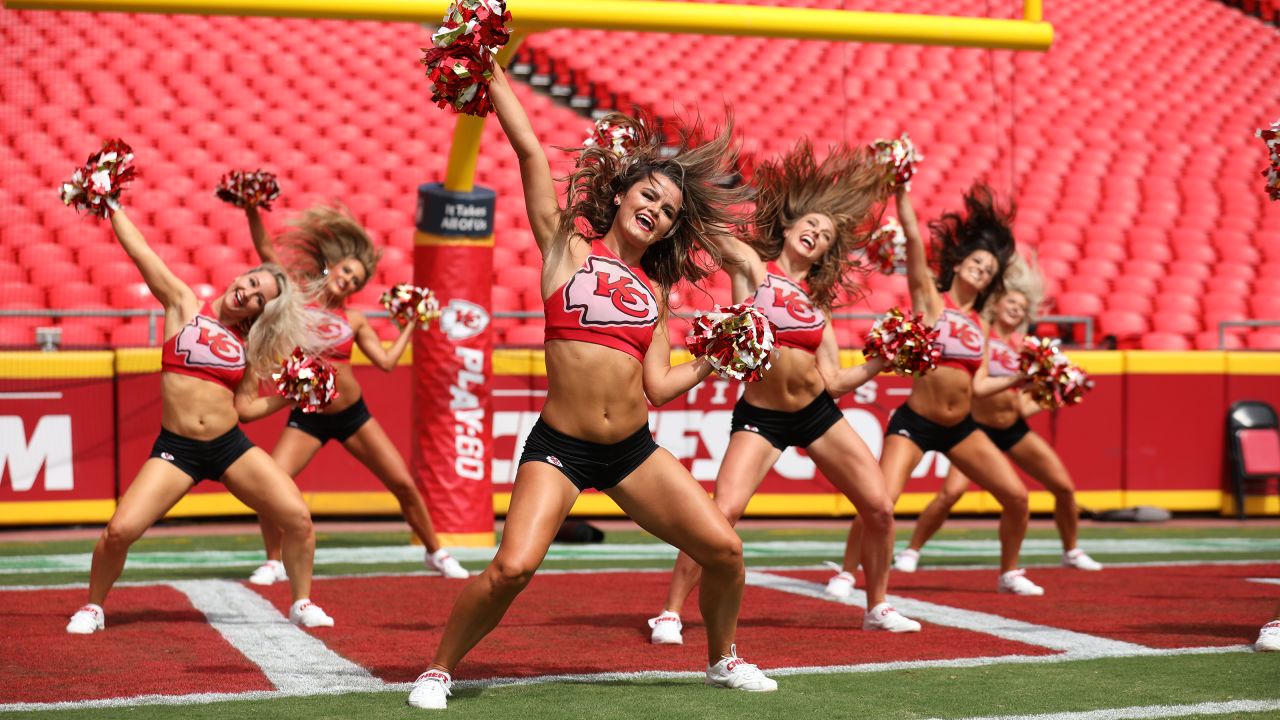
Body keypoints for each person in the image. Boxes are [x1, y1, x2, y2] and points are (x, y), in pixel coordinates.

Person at [406, 66, 776, 710]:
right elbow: (526, 147)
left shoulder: (657, 291)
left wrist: (718, 358)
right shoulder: (565, 247)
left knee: (724, 549)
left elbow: (659, 387)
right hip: (560, 448)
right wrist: (490, 70)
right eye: (650, 196)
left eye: (667, 211)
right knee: (512, 568)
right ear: (623, 193)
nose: (656, 212)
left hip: (632, 450)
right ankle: (438, 670)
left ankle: (722, 659)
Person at [647, 141, 919, 645]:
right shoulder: (755, 270)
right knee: (721, 513)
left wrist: (882, 361)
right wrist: (694, 181)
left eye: (827, 233)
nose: (817, 232)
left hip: (817, 412)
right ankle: (669, 612)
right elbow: (719, 236)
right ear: (789, 230)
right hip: (761, 416)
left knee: (879, 507)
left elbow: (836, 379)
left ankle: (877, 605)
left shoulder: (819, 309)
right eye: (811, 225)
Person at [66, 208, 334, 634]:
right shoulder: (184, 306)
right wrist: (112, 206)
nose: (247, 292)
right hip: (178, 449)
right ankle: (93, 607)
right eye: (249, 282)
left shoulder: (248, 346)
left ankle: (301, 601)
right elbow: (142, 254)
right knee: (119, 531)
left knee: (298, 519)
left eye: (259, 296)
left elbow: (245, 408)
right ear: (236, 280)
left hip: (229, 446)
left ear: (261, 311)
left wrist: (287, 400)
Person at [825, 182, 1045, 598]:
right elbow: (911, 237)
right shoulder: (931, 298)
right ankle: (847, 572)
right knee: (881, 501)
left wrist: (1019, 377)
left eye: (989, 271)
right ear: (959, 264)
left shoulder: (980, 324)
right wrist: (904, 193)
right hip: (916, 423)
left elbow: (978, 385)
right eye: (977, 263)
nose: (983, 270)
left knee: (1016, 497)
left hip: (960, 426)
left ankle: (1010, 572)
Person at [237, 204, 467, 584]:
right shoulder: (297, 301)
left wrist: (409, 325)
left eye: (356, 280)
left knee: (403, 484)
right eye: (346, 272)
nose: (348, 281)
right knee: (271, 483)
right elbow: (267, 254)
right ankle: (273, 561)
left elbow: (387, 362)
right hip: (308, 414)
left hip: (353, 415)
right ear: (332, 268)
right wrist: (251, 210)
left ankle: (436, 552)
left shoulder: (355, 319)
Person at [893, 257, 1102, 573]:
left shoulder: (1026, 347)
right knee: (951, 493)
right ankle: (911, 550)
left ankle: (1071, 550)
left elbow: (1022, 403)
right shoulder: (978, 332)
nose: (1017, 309)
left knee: (1063, 487)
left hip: (1012, 428)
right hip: (974, 426)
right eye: (1011, 302)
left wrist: (1053, 396)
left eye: (1022, 306)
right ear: (998, 303)